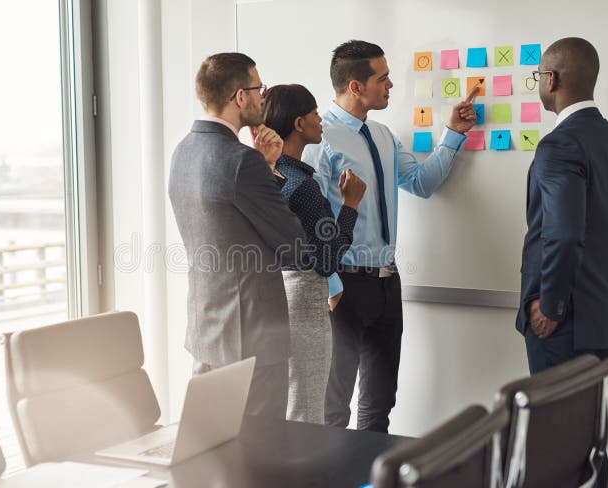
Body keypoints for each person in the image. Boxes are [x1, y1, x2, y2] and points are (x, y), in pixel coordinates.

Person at [302, 40, 478, 432]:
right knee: (334, 409)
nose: (391, 85)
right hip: (342, 287)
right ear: (355, 86)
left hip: (386, 284)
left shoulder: (382, 135)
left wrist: (452, 134)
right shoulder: (321, 140)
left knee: (380, 404)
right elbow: (308, 220)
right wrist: (330, 283)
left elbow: (420, 182)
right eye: (382, 78)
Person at [517, 37, 608, 488]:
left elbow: (564, 236)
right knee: (585, 444)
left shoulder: (559, 146)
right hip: (602, 316)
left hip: (563, 322)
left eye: (538, 77)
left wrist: (549, 306)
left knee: (554, 447)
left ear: (552, 79)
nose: (538, 85)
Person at [168, 53, 306, 419]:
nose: (263, 97)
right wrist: (269, 170)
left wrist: (268, 168)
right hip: (252, 339)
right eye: (258, 88)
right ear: (240, 97)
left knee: (214, 451)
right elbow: (295, 248)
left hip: (207, 332)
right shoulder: (242, 161)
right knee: (261, 457)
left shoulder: (183, 151)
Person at [262, 84, 367, 423]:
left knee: (292, 398)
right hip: (306, 297)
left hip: (278, 295)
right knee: (307, 406)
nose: (321, 120)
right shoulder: (303, 185)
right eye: (314, 114)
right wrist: (350, 204)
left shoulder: (271, 176)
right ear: (298, 123)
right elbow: (328, 259)